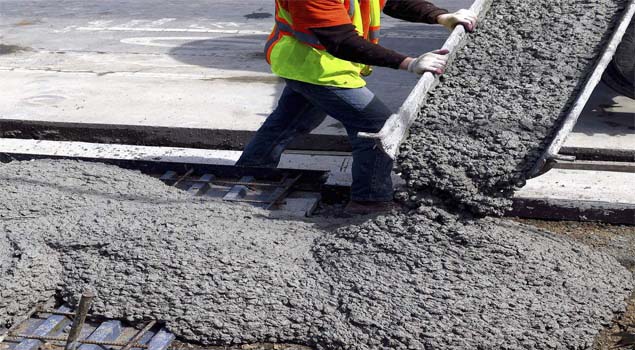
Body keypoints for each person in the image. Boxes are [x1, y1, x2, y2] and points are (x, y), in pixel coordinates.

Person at [236, 0, 477, 214]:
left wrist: (440, 15)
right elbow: (340, 40)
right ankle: (369, 201)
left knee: (291, 120)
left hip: (317, 63)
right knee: (375, 123)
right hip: (313, 67)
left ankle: (250, 173)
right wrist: (409, 63)